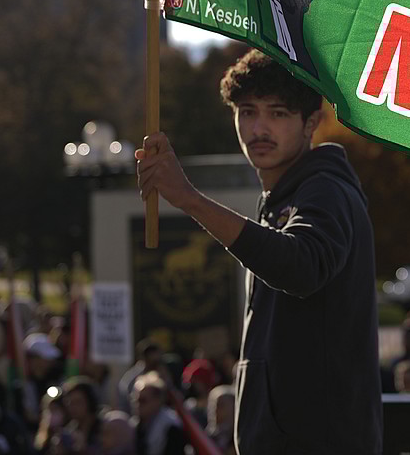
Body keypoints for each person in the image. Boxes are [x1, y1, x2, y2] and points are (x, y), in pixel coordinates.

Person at [136, 48, 383, 454]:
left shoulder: (326, 189)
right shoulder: (288, 196)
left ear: (311, 123)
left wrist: (189, 199)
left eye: (278, 113)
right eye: (247, 112)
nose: (259, 128)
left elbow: (302, 266)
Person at [131, 373, 187, 455]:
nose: (138, 405)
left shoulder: (171, 427)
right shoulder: (134, 425)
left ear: (157, 401)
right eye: (136, 400)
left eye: (143, 400)